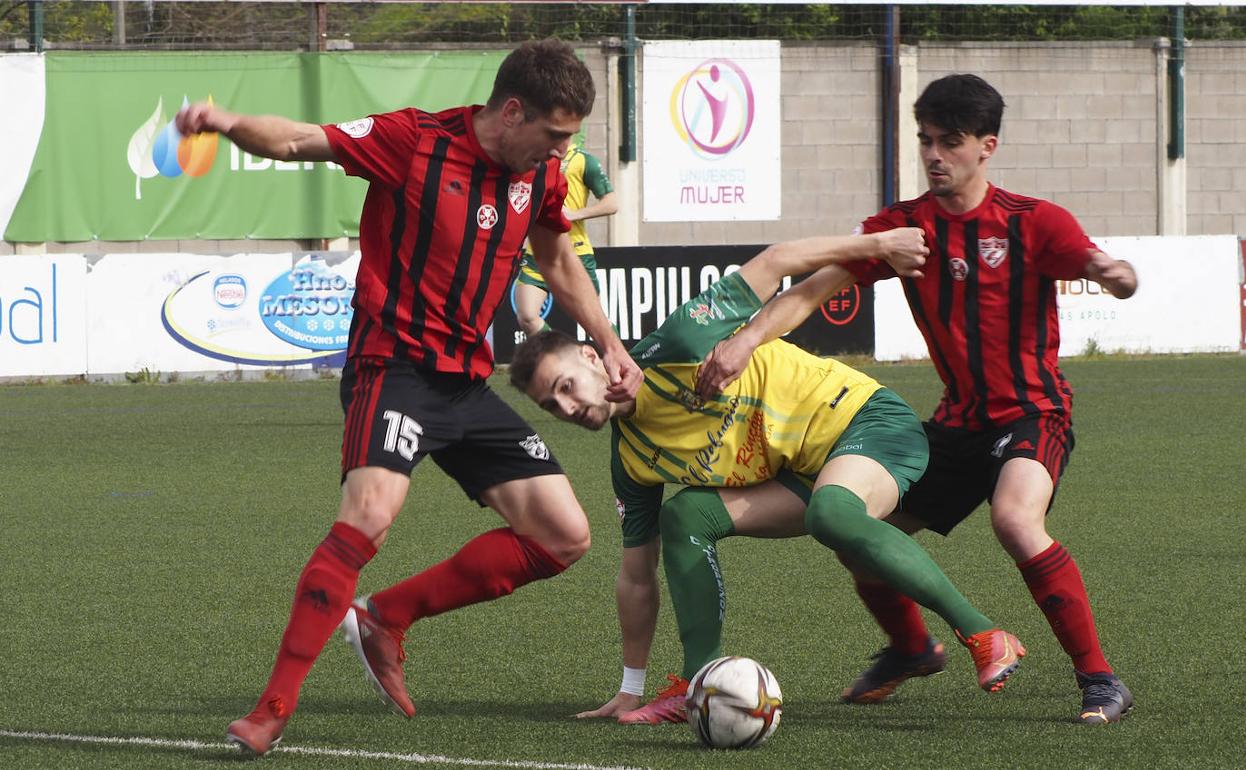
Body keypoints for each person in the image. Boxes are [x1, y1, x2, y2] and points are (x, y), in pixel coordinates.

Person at [176, 38, 643, 756]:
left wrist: (607, 342)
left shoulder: (539, 176)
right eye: (553, 135)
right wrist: (223, 120)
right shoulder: (413, 141)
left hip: (466, 380)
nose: (559, 152)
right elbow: (303, 140)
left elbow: (556, 261)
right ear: (511, 111)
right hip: (391, 366)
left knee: (563, 537)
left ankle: (386, 617)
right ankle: (271, 708)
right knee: (369, 518)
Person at [696, 74, 1137, 725]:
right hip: (955, 424)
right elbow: (812, 290)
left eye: (949, 143)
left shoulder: (1032, 221)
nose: (934, 155)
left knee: (1015, 521)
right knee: (850, 530)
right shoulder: (903, 230)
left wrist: (1114, 273)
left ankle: (1100, 679)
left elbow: (1102, 266)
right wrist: (745, 341)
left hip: (1032, 413)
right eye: (925, 140)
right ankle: (911, 647)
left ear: (986, 146)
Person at [509, 228, 1027, 726]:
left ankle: (983, 632)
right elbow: (637, 578)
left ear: (590, 355)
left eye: (566, 386)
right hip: (803, 471)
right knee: (684, 515)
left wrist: (876, 245)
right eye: (551, 404)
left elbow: (777, 261)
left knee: (832, 512)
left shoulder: (681, 341)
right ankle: (696, 684)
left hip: (867, 423)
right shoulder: (632, 461)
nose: (567, 406)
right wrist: (629, 686)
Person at [514, 140, 618, 337]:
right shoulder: (533, 158)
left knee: (596, 324)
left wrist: (574, 214)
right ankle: (558, 361)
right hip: (538, 251)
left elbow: (612, 203)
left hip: (575, 252)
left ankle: (622, 365)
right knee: (527, 316)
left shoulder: (584, 160)